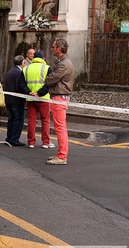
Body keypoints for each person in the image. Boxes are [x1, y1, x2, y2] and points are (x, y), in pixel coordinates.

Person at [44, 37, 74, 165]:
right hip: (60, 96)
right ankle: (61, 154)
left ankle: (62, 156)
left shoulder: (63, 64)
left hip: (59, 97)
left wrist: (47, 79)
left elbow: (50, 79)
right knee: (61, 127)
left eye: (53, 47)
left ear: (59, 49)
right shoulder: (64, 62)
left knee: (60, 128)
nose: (51, 49)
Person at [19, 50, 55, 149]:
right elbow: (49, 84)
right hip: (43, 98)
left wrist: (29, 92)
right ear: (43, 58)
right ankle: (45, 142)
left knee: (32, 120)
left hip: (30, 98)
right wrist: (40, 93)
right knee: (45, 121)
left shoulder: (26, 68)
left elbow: (21, 84)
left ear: (34, 58)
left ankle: (31, 142)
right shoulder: (47, 68)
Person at [3, 55, 26, 146]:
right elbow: (19, 86)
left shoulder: (10, 71)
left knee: (11, 119)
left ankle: (9, 137)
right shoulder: (19, 73)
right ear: (22, 63)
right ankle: (14, 138)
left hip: (9, 98)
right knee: (18, 119)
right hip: (17, 99)